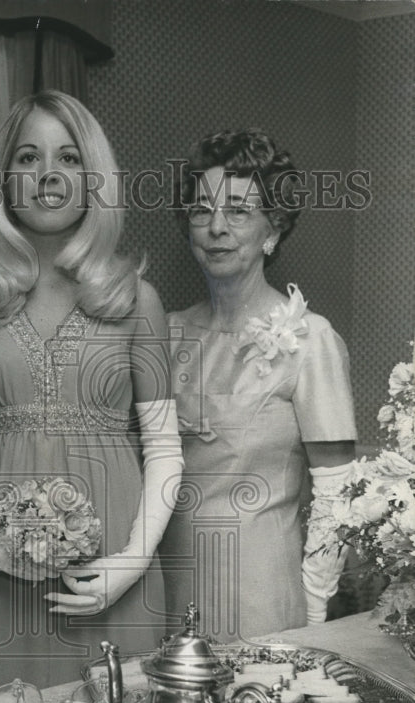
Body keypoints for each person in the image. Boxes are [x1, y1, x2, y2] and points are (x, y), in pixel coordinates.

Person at [0, 90, 183, 698]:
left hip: (114, 572)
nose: (48, 175)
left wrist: (132, 562)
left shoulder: (136, 301)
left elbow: (166, 451)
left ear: (94, 177)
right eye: (28, 157)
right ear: (3, 179)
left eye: (69, 158)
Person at [158, 127, 357, 642]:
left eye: (239, 211)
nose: (216, 227)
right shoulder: (166, 333)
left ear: (273, 228)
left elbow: (336, 494)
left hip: (261, 596)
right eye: (201, 210)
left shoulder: (310, 340)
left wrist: (312, 616)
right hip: (163, 588)